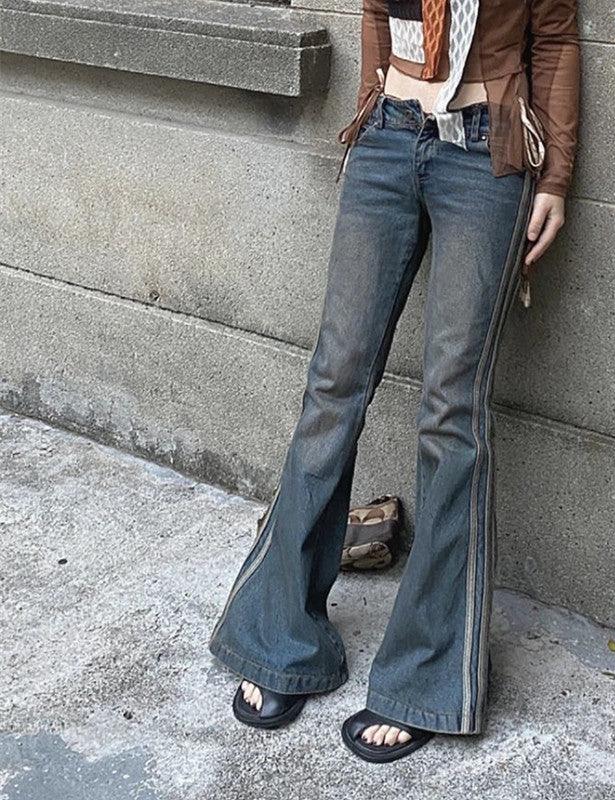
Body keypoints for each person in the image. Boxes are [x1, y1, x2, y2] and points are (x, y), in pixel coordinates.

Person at [208, 0, 580, 763]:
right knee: (333, 385)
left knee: (453, 412)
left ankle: (426, 678)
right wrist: (372, 110)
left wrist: (558, 177)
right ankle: (281, 635)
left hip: (489, 155)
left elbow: (556, 38)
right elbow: (378, 13)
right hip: (388, 139)